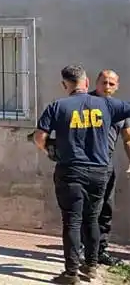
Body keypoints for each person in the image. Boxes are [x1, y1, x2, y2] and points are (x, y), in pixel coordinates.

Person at [33, 65, 130, 284]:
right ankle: (91, 267)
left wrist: (49, 150)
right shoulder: (107, 104)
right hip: (99, 171)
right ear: (86, 83)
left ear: (64, 85)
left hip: (70, 171)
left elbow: (39, 137)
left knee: (72, 221)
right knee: (92, 219)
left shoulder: (57, 106)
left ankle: (71, 274)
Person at [91, 69, 128, 267]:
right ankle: (81, 250)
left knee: (106, 209)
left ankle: (100, 251)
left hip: (106, 165)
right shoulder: (84, 103)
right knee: (87, 209)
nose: (106, 87)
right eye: (103, 82)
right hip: (86, 165)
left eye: (111, 84)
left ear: (117, 86)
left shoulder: (120, 109)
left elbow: (128, 137)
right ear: (96, 82)